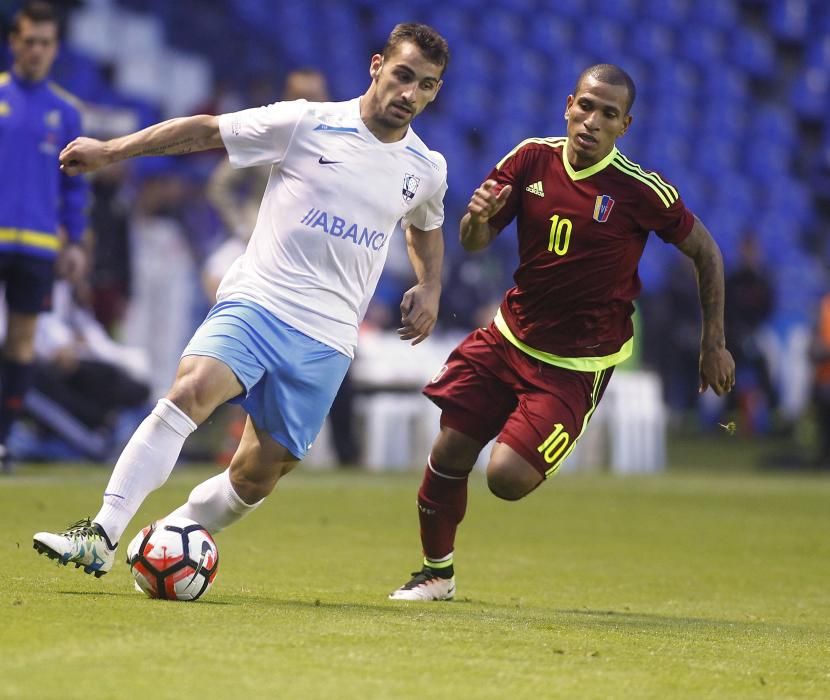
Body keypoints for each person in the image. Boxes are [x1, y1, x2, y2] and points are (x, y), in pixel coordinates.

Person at [32, 23, 449, 577]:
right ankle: (102, 532)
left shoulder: (426, 168)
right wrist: (111, 151)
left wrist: (430, 283)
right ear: (376, 66)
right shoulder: (306, 121)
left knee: (259, 474)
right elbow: (205, 130)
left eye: (425, 85)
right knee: (191, 389)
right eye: (402, 76)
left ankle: (173, 533)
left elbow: (425, 226)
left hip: (329, 337)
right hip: (260, 300)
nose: (410, 94)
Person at [389, 64, 736, 601]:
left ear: (626, 125)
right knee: (450, 449)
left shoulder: (640, 191)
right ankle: (437, 572)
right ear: (568, 104)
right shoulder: (530, 157)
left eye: (609, 114)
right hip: (508, 337)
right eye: (587, 107)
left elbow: (707, 252)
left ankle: (537, 422)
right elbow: (475, 240)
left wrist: (713, 342)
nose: (593, 121)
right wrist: (477, 220)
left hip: (575, 366)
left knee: (505, 478)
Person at [0, 1, 88, 473]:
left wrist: (74, 241)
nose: (36, 50)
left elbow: (75, 183)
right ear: (13, 41)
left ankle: (3, 441)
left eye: (45, 43)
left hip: (36, 246)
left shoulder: (65, 113)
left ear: (55, 48)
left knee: (20, 345)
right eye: (28, 41)